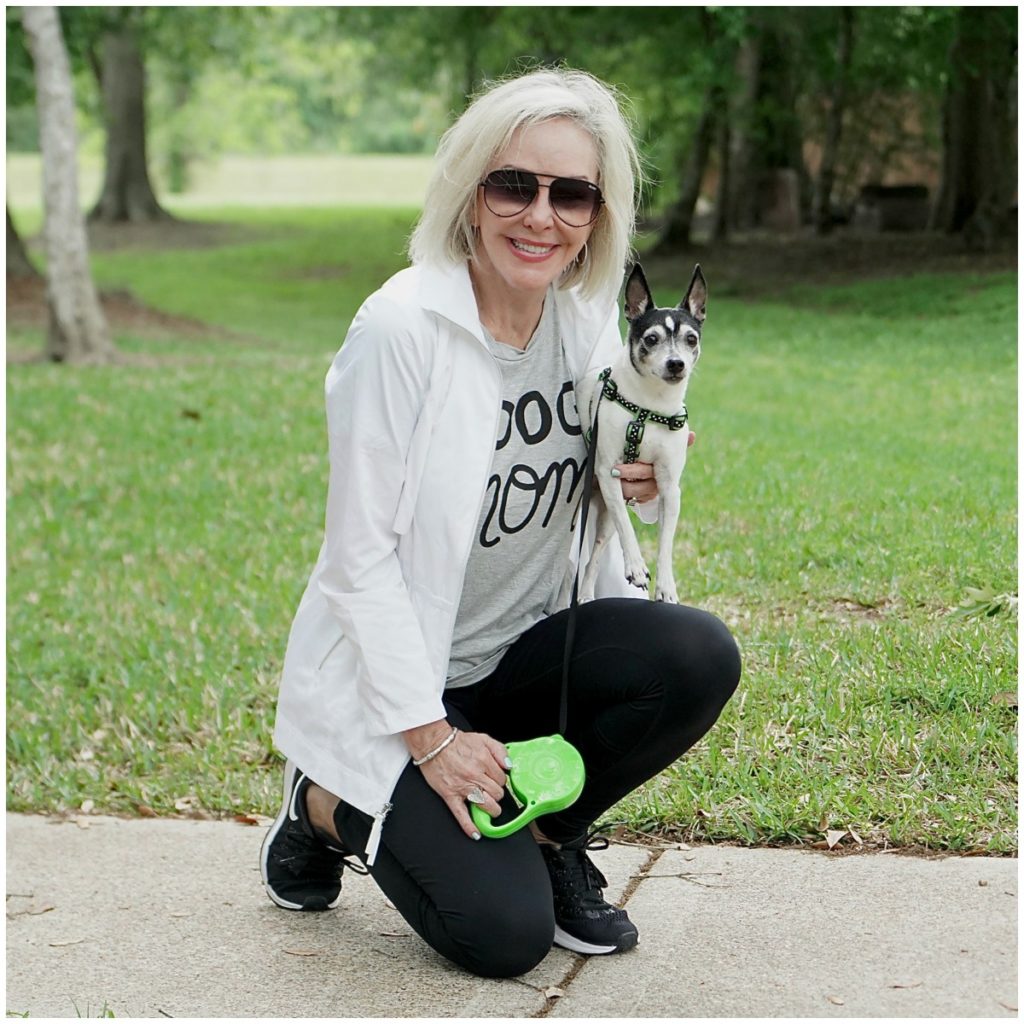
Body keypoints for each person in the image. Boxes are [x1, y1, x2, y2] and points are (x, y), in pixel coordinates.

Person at [260, 68, 741, 979]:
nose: (540, 216)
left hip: (527, 664)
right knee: (502, 937)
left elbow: (624, 435)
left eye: (573, 194)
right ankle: (323, 804)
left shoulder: (589, 319)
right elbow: (356, 560)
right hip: (405, 690)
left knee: (697, 653)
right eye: (513, 184)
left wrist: (644, 465)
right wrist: (432, 738)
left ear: (600, 214)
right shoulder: (399, 330)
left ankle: (553, 836)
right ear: (471, 191)